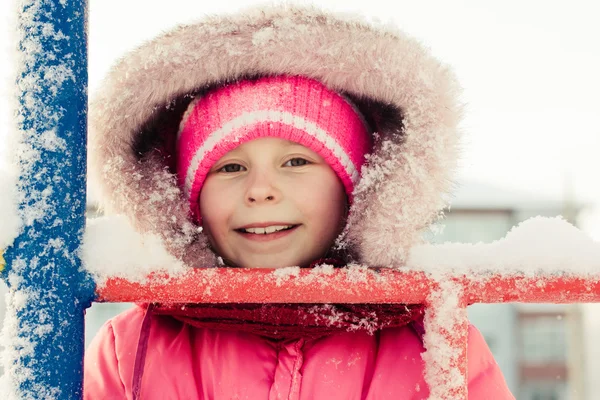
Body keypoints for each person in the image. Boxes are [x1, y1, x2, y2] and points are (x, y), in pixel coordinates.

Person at [84, 4, 514, 399]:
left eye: (295, 160)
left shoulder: (438, 345)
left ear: (355, 191)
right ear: (188, 202)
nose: (260, 190)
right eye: (230, 168)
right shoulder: (132, 346)